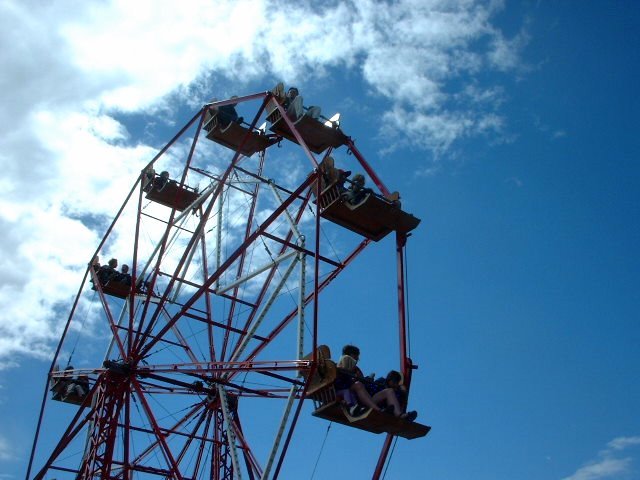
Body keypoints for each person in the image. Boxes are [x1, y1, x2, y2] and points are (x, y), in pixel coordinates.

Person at [339, 344, 417, 420]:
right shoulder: (338, 368)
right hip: (352, 400)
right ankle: (379, 410)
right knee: (358, 385)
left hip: (366, 399)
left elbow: (363, 382)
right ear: (350, 355)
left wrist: (367, 379)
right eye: (356, 357)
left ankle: (399, 415)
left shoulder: (357, 370)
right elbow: (342, 384)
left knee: (389, 391)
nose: (357, 360)